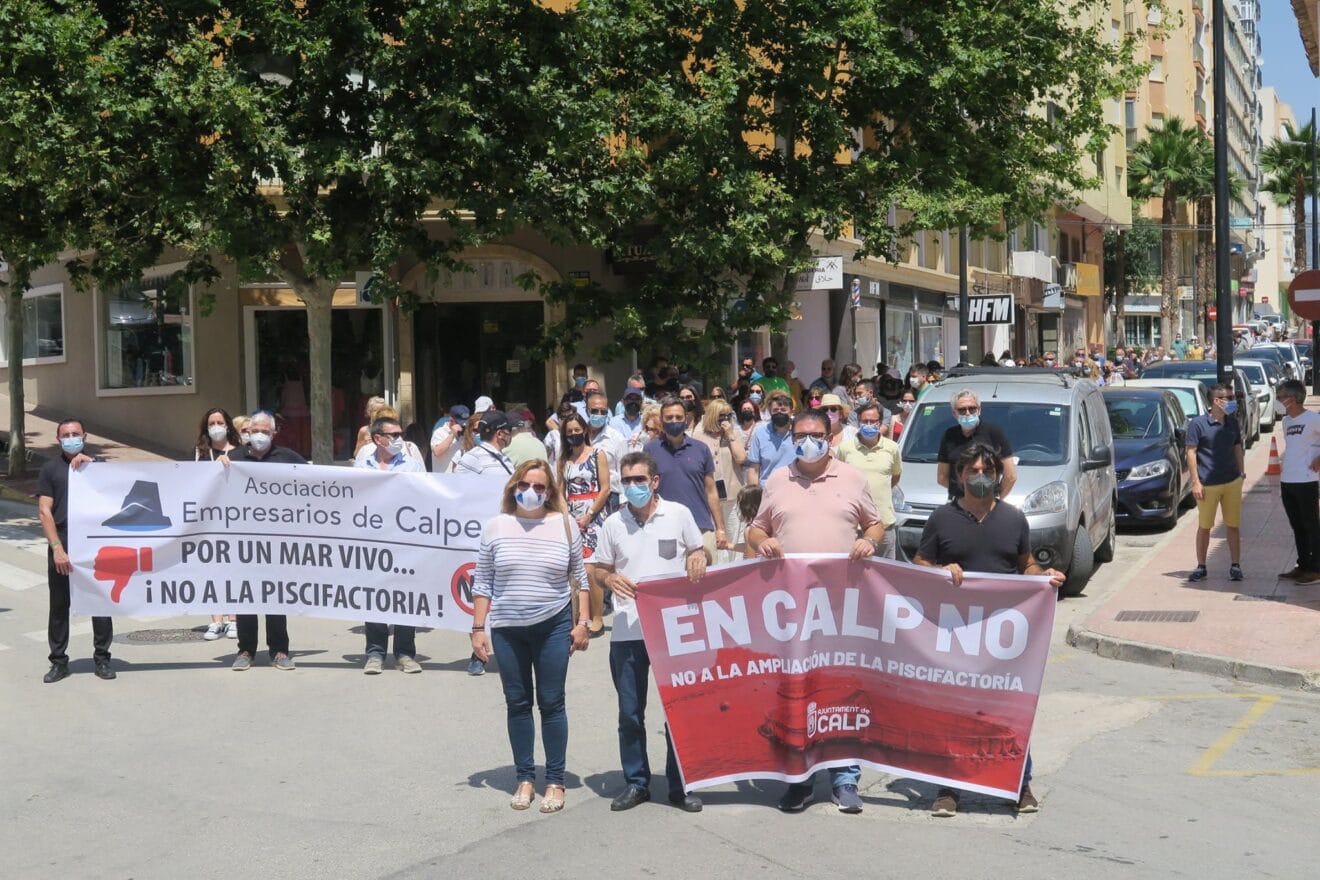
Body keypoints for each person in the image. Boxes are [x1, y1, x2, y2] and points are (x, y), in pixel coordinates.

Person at [913, 443, 1064, 816]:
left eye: (988, 470)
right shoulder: (942, 519)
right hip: (956, 634)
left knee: (1010, 709)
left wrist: (1043, 577)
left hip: (1004, 637)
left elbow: (1025, 564)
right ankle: (949, 788)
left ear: (998, 476)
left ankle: (1018, 786)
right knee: (955, 710)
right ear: (960, 476)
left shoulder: (1013, 519)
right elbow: (919, 564)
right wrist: (940, 572)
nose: (981, 476)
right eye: (973, 470)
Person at [746, 409, 886, 814]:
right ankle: (798, 779)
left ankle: (844, 779)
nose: (810, 441)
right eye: (803, 434)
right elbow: (757, 528)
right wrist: (763, 541)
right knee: (795, 690)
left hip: (840, 606)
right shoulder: (777, 480)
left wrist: (869, 542)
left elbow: (875, 525)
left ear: (831, 437)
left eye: (818, 434)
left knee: (841, 692)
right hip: (791, 608)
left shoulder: (851, 477)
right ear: (792, 437)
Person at [470, 461, 591, 813]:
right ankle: (525, 777)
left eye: (540, 487)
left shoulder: (565, 525)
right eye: (526, 484)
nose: (532, 492)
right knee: (518, 703)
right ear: (513, 487)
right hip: (508, 628)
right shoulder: (496, 526)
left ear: (550, 492)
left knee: (552, 703)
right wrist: (478, 629)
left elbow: (580, 578)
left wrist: (583, 621)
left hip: (552, 625)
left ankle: (555, 780)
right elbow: (483, 582)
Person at [591, 452, 708, 812]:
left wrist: (699, 556)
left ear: (654, 481)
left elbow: (699, 551)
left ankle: (681, 784)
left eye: (638, 480)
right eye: (626, 481)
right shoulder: (613, 523)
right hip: (628, 630)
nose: (632, 487)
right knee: (630, 712)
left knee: (679, 711)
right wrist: (608, 578)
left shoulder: (678, 514)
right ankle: (637, 781)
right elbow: (598, 569)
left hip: (673, 629)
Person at [225, 411, 305, 670]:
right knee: (246, 594)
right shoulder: (234, 459)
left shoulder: (289, 458)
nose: (259, 435)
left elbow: (315, 486)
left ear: (274, 433)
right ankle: (246, 649)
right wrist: (217, 466)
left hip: (278, 541)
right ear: (246, 432)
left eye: (265, 431)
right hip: (244, 540)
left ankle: (279, 651)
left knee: (275, 596)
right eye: (254, 430)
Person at [38, 419, 112, 683]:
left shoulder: (99, 468)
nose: (71, 438)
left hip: (94, 543)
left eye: (75, 434)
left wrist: (92, 469)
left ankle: (102, 659)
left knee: (99, 601)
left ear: (85, 436)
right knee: (59, 605)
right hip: (64, 540)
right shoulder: (50, 470)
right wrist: (57, 547)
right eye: (66, 435)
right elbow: (45, 510)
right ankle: (59, 661)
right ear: (58, 439)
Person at [355, 415, 425, 673]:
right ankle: (375, 653)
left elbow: (423, 499)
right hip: (372, 542)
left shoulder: (412, 465)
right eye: (393, 435)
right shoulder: (362, 466)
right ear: (377, 439)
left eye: (400, 434)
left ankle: (405, 653)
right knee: (374, 596)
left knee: (405, 596)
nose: (399, 439)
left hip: (404, 541)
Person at [645, 397, 727, 556]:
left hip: (700, 527)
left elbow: (711, 491)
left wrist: (720, 529)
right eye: (669, 418)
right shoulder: (650, 450)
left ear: (686, 419)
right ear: (661, 420)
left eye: (678, 417)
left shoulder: (701, 449)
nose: (674, 421)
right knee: (670, 579)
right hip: (664, 529)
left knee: (706, 579)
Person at [1186, 383, 1245, 582]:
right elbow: (1191, 452)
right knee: (1205, 526)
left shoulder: (1232, 422)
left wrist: (1242, 472)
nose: (1232, 401)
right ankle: (1201, 566)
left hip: (1231, 481)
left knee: (1233, 525)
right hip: (1208, 483)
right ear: (1216, 401)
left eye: (1232, 396)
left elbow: (1237, 446)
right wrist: (1195, 482)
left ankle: (1235, 565)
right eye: (1228, 397)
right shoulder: (1198, 424)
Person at [558, 412, 612, 631]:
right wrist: (566, 517)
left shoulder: (597, 454)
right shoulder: (564, 459)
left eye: (577, 431)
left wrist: (589, 514)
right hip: (571, 517)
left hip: (594, 515)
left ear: (585, 431)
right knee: (573, 571)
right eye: (569, 432)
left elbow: (605, 487)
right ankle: (579, 617)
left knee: (591, 570)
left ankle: (597, 617)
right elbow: (560, 491)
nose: (573, 435)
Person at [194, 408, 243, 640]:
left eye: (220, 422)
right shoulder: (199, 453)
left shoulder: (241, 452)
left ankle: (234, 619)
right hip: (208, 519)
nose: (216, 426)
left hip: (235, 520)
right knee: (211, 569)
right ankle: (216, 620)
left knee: (233, 569)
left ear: (228, 425)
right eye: (212, 423)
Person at [836, 402, 902, 558]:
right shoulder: (845, 448)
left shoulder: (892, 448)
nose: (869, 424)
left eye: (873, 421)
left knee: (886, 576)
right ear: (859, 422)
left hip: (885, 523)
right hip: (854, 526)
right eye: (865, 421)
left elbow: (895, 476)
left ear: (880, 422)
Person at [1274, 380, 1320, 584]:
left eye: (1280, 397)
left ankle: (1316, 569)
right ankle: (1302, 565)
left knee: (1311, 525)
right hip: (1288, 480)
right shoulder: (1286, 421)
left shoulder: (1313, 419)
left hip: (1307, 480)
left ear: (1291, 400)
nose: (1277, 401)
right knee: (1297, 525)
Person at [693, 398, 748, 563]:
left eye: (727, 415)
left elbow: (741, 458)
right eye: (720, 416)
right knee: (717, 534)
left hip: (733, 493)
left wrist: (730, 434)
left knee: (734, 532)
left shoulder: (733, 433)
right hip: (710, 493)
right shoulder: (698, 435)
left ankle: (736, 567)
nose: (724, 419)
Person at [936, 390, 1017, 499]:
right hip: (959, 504)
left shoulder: (993, 432)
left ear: (979, 410)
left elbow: (1011, 476)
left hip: (987, 503)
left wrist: (996, 502)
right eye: (962, 410)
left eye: (972, 409)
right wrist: (967, 496)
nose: (968, 413)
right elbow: (942, 477)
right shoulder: (949, 435)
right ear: (954, 413)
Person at [745, 390, 797, 485]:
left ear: (791, 412)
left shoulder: (800, 433)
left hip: (795, 489)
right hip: (768, 491)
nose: (779, 413)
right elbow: (754, 470)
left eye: (783, 410)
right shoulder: (760, 433)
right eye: (775, 410)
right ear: (770, 412)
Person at [453, 410, 515, 478]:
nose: (511, 434)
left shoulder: (504, 457)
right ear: (500, 434)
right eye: (509, 430)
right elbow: (458, 485)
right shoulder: (473, 457)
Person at [430, 404, 471, 473]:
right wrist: (452, 435)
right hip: (444, 479)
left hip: (462, 478)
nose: (462, 426)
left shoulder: (465, 433)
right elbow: (437, 452)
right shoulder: (440, 432)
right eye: (460, 423)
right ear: (451, 420)